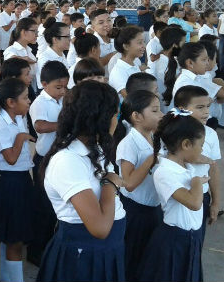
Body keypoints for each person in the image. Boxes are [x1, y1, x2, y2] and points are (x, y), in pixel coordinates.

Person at [37, 80, 125, 281]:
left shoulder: (95, 149)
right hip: (84, 255)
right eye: (114, 114)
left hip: (105, 250)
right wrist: (110, 183)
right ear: (100, 119)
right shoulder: (68, 160)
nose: (116, 120)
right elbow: (100, 228)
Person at [137, 109, 207, 282]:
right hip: (174, 240)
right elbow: (194, 203)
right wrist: (197, 181)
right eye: (201, 145)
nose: (202, 150)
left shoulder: (185, 166)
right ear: (186, 145)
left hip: (190, 238)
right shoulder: (165, 172)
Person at [0, 78, 34, 282]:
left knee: (14, 237)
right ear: (10, 102)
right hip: (8, 182)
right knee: (14, 239)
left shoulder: (18, 118)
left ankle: (6, 278)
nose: (29, 101)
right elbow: (11, 158)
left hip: (20, 179)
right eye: (25, 98)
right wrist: (21, 138)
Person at [113, 90, 163, 281]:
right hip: (136, 212)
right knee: (133, 260)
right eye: (155, 111)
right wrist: (152, 158)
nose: (161, 115)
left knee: (147, 259)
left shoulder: (153, 137)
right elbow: (129, 183)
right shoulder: (128, 143)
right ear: (136, 116)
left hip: (153, 208)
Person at [28, 60, 69, 265]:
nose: (62, 91)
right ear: (44, 84)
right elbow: (41, 126)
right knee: (43, 206)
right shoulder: (40, 102)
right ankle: (36, 251)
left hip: (60, 157)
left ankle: (49, 247)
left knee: (56, 207)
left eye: (65, 87)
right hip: (44, 159)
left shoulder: (62, 99)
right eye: (58, 87)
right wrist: (65, 124)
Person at [174, 86, 222, 241]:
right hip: (175, 196)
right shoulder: (171, 133)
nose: (206, 112)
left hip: (201, 196)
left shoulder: (211, 134)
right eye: (200, 107)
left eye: (208, 106)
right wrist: (195, 158)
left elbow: (213, 169)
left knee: (196, 241)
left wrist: (215, 201)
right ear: (182, 109)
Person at [108, 25, 146, 98]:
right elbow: (130, 99)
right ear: (126, 46)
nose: (144, 46)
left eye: (143, 42)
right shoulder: (118, 72)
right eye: (140, 42)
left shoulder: (136, 62)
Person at [156, 26, 186, 109]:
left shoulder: (172, 60)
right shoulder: (164, 62)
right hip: (168, 108)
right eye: (183, 43)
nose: (185, 45)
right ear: (174, 45)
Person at [36, 21, 70, 90]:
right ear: (55, 39)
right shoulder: (45, 59)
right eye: (67, 36)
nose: (70, 39)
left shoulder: (61, 54)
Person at [4, 18, 38, 87]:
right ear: (24, 32)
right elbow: (10, 61)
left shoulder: (28, 50)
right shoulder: (11, 50)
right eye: (34, 31)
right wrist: (25, 59)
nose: (36, 35)